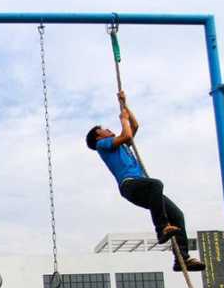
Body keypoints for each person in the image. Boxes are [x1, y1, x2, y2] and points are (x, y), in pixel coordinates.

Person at [85, 91, 205, 272]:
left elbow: (134, 126)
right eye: (103, 129)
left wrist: (124, 106)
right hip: (130, 184)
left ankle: (182, 259)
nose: (108, 129)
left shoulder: (120, 144)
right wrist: (122, 119)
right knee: (156, 184)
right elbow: (126, 134)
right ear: (98, 137)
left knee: (178, 215)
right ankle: (161, 228)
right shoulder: (103, 146)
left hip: (142, 186)